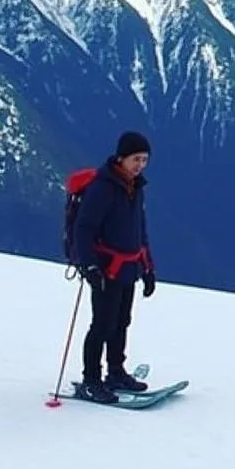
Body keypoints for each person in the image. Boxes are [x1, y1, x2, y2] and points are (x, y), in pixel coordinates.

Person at [72, 131, 157, 403]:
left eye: (144, 159)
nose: (140, 165)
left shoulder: (136, 187)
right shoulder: (103, 188)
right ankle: (92, 380)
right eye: (136, 159)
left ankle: (116, 372)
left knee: (121, 322)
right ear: (121, 158)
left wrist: (148, 268)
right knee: (103, 325)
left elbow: (139, 231)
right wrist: (90, 267)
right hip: (106, 269)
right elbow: (83, 229)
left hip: (128, 268)